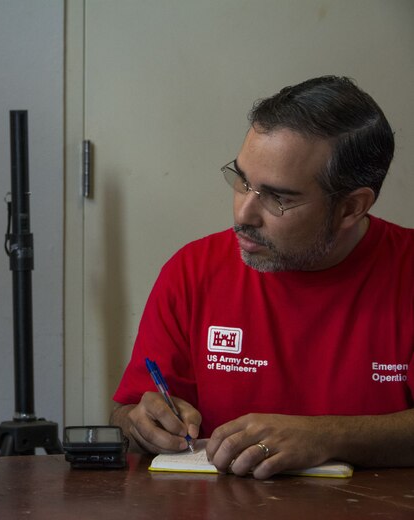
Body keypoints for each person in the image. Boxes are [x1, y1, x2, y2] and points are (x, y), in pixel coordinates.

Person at [111, 76, 413, 478]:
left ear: (350, 209)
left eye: (278, 198)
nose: (243, 215)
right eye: (242, 181)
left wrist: (328, 436)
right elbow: (126, 414)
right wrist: (139, 423)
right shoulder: (193, 271)